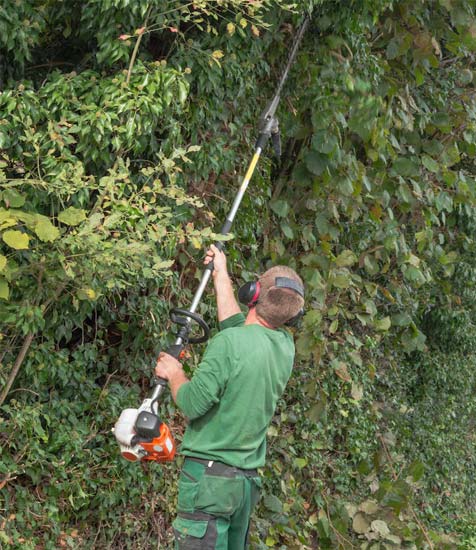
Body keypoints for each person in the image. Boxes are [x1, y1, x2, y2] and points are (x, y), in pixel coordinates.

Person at [155, 244, 305, 550]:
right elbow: (239, 327)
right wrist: (220, 273)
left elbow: (192, 403)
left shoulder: (229, 344)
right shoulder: (283, 346)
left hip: (209, 482)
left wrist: (174, 373)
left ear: (252, 293)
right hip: (243, 486)